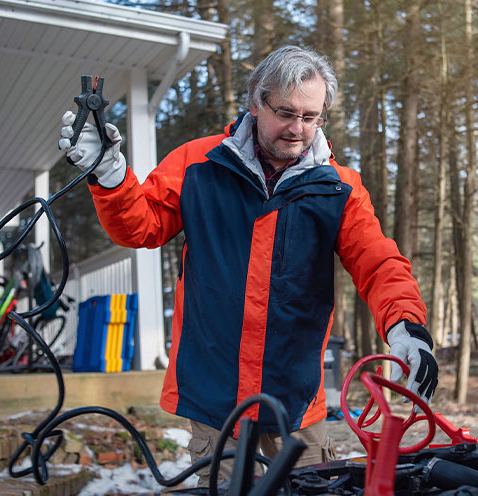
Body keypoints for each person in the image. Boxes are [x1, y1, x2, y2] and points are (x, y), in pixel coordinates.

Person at [58, 45, 438, 485]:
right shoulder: (198, 164)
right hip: (215, 401)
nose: (298, 129)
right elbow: (141, 227)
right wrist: (110, 176)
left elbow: (378, 261)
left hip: (295, 401)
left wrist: (405, 325)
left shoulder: (339, 188)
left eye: (311, 117)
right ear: (256, 102)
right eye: (286, 113)